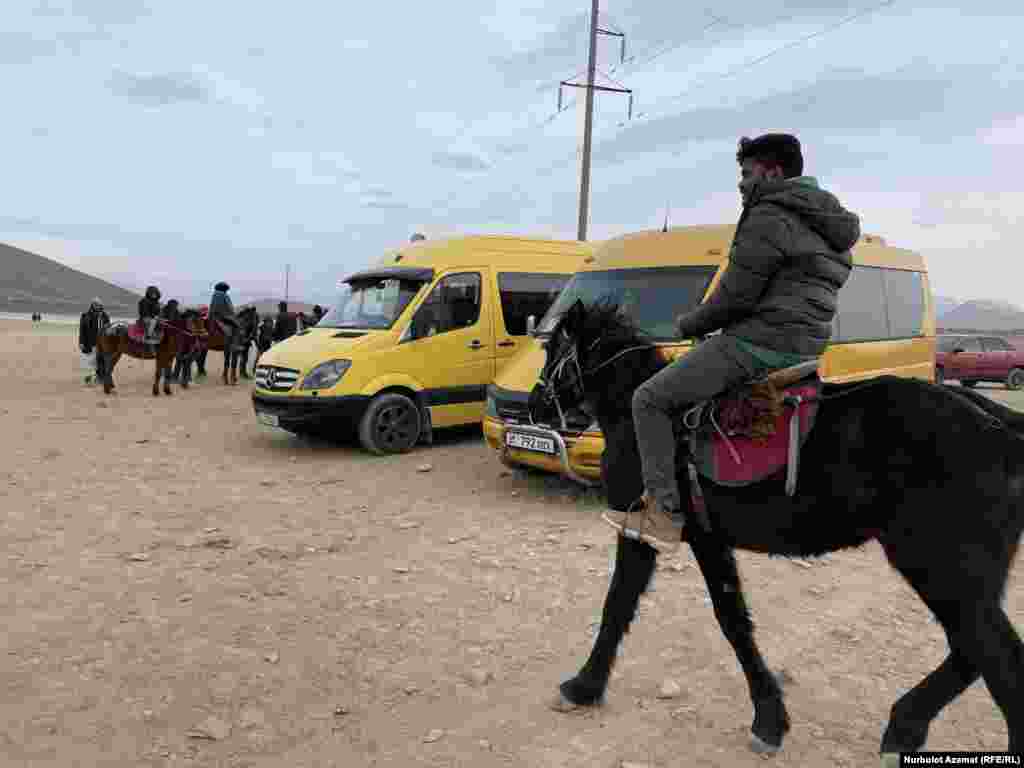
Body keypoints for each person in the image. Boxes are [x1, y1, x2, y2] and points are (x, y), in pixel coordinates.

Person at [604, 133, 860, 553]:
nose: (741, 184)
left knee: (648, 398)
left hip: (760, 344)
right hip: (805, 347)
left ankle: (664, 513)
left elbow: (735, 297)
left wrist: (687, 324)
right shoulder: (829, 223)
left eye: (746, 173)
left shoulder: (769, 214)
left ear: (773, 172)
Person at [79, 298, 109, 384]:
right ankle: (89, 379)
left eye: (99, 304)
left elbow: (108, 328)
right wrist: (81, 342)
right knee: (90, 361)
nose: (97, 306)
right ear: (92, 305)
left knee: (101, 361)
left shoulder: (104, 316)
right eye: (95, 304)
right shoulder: (85, 315)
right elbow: (82, 330)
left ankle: (100, 378)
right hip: (89, 342)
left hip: (102, 342)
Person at [209, 282, 240, 351]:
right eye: (226, 289)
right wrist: (233, 314)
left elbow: (211, 306)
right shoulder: (224, 295)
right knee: (236, 326)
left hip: (213, 316)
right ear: (224, 289)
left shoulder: (214, 295)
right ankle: (234, 345)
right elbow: (230, 307)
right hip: (222, 316)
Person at [138, 286, 162, 351]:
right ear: (149, 293)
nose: (154, 294)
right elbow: (143, 312)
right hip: (145, 318)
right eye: (152, 293)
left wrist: (159, 317)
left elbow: (159, 312)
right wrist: (153, 317)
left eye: (155, 293)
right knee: (153, 322)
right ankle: (148, 337)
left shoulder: (157, 303)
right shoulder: (144, 301)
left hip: (155, 318)